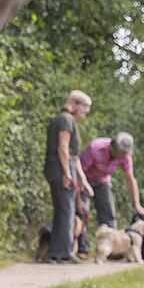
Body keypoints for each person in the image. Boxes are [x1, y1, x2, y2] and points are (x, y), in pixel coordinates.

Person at [42, 90, 91, 263]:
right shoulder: (65, 120)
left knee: (64, 211)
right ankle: (62, 253)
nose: (87, 112)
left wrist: (83, 180)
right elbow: (63, 148)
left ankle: (57, 251)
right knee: (67, 212)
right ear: (76, 105)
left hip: (62, 167)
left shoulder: (66, 120)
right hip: (60, 169)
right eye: (86, 107)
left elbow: (74, 155)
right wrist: (67, 174)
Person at [80, 131, 144, 232]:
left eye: (126, 152)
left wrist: (136, 204)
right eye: (122, 152)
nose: (124, 155)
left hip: (102, 180)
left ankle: (111, 241)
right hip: (83, 179)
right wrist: (81, 189)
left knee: (108, 212)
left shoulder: (126, 157)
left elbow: (130, 179)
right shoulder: (95, 147)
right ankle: (81, 246)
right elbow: (79, 171)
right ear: (113, 146)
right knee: (83, 212)